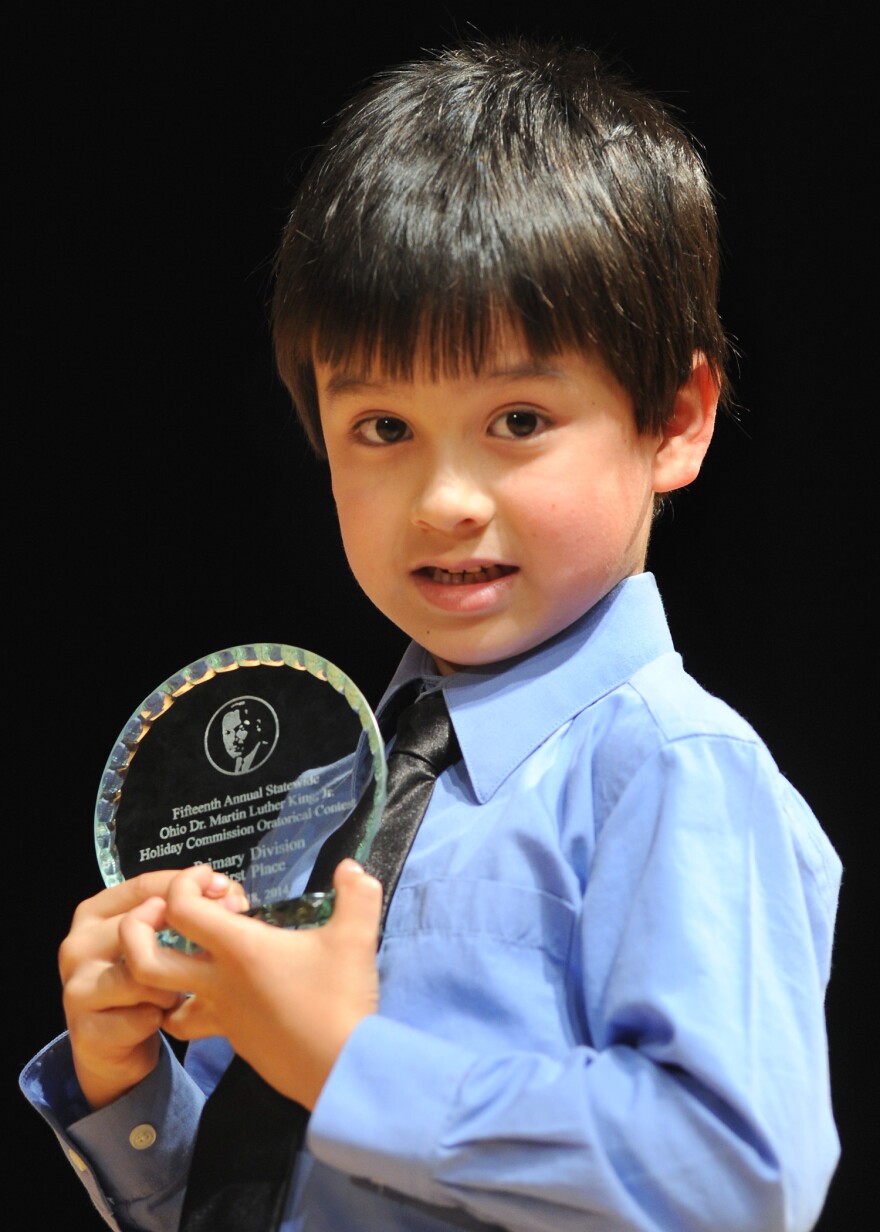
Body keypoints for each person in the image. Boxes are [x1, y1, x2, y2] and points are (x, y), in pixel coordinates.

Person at [20, 35, 842, 1232]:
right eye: (382, 426)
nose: (445, 496)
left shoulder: (669, 768)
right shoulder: (326, 786)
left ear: (673, 420)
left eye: (517, 416)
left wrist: (353, 1069)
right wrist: (130, 1080)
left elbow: (734, 1178)